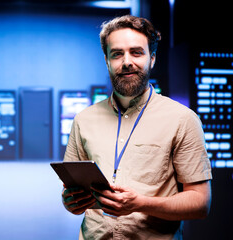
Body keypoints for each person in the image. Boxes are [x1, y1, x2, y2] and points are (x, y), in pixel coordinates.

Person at [61, 15, 212, 239]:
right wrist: (70, 201)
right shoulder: (84, 119)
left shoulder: (182, 119)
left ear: (152, 59)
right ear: (107, 61)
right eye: (117, 54)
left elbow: (200, 203)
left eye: (136, 52)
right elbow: (70, 189)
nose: (126, 61)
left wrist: (141, 204)